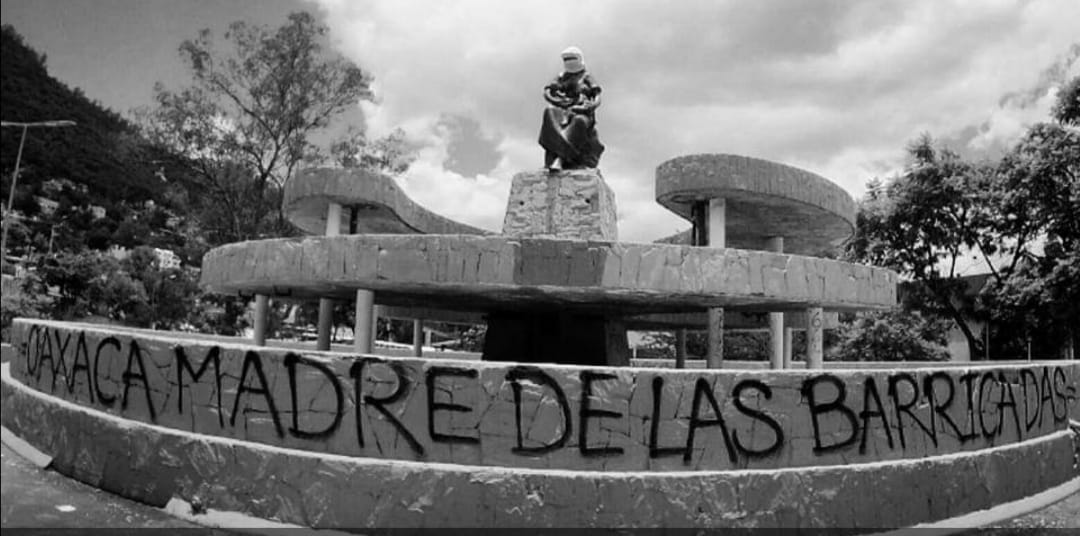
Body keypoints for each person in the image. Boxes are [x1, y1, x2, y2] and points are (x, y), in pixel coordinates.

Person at [538, 46, 604, 171]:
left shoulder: (586, 76)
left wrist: (592, 105)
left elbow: (597, 95)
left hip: (581, 110)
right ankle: (554, 154)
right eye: (566, 59)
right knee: (549, 112)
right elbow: (548, 91)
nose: (569, 61)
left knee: (579, 121)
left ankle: (561, 158)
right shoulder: (562, 76)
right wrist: (555, 99)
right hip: (563, 107)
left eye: (572, 58)